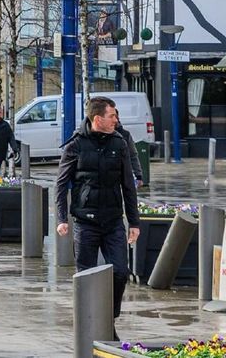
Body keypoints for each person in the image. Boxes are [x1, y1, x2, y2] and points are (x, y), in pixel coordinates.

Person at [54, 96, 141, 331]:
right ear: (98, 118)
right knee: (87, 277)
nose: (116, 120)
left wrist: (134, 221)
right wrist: (62, 218)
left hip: (113, 221)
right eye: (112, 116)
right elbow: (61, 185)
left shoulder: (119, 143)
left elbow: (128, 185)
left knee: (120, 273)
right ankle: (89, 325)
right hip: (85, 222)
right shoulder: (75, 145)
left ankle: (107, 318)